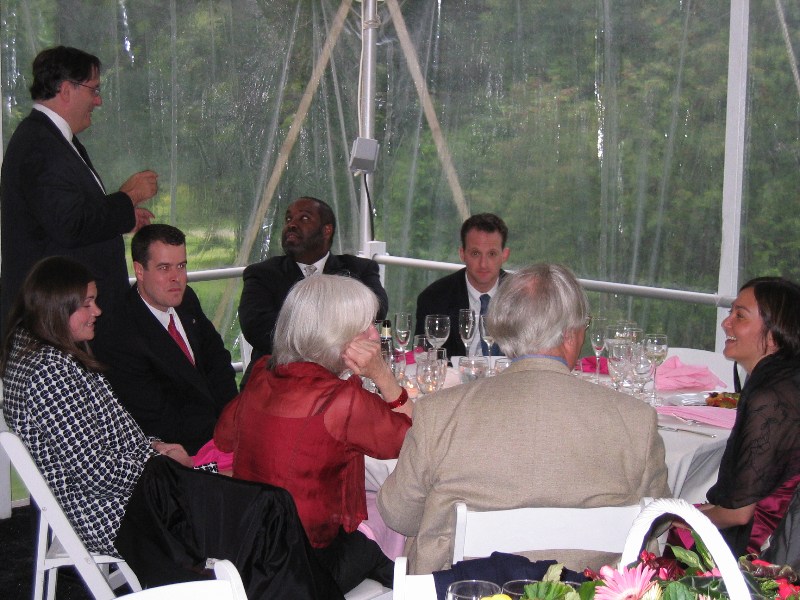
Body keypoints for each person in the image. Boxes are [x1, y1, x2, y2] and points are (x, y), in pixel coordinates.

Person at [0, 256, 342, 599]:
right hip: (123, 512)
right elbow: (94, 471)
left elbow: (100, 444)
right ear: (57, 307)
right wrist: (161, 462)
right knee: (269, 510)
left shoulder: (39, 357)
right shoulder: (50, 373)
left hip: (138, 494)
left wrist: (156, 449)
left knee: (268, 508)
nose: (98, 311)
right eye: (87, 304)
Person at [379, 263, 670, 574]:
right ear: (571, 336)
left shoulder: (439, 413)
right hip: (590, 591)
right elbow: (657, 521)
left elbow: (400, 516)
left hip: (461, 591)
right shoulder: (636, 420)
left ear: (504, 330)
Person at [215, 274, 412, 593]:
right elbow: (415, 442)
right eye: (365, 327)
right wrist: (383, 376)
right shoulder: (340, 400)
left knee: (375, 511)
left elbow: (223, 437)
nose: (375, 335)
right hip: (303, 572)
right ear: (335, 335)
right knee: (398, 517)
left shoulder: (265, 373)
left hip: (249, 553)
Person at [0, 46, 158, 334]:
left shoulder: (52, 139)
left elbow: (70, 217)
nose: (97, 101)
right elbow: (70, 225)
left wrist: (124, 217)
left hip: (66, 315)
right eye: (93, 90)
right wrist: (129, 196)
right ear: (65, 90)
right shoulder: (40, 145)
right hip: (56, 319)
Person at [92, 224, 237, 455]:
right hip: (179, 453)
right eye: (164, 268)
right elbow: (154, 416)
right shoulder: (119, 331)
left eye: (181, 266)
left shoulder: (186, 299)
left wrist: (233, 420)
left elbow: (218, 362)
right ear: (139, 270)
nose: (176, 278)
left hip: (222, 433)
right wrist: (221, 440)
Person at [699, 277, 800, 557]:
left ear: (774, 334)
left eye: (739, 316)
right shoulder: (786, 378)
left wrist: (679, 519)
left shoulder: (770, 398)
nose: (726, 323)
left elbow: (738, 514)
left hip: (761, 551)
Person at [238, 196, 389, 363]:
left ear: (327, 230)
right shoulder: (262, 274)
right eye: (288, 219)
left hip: (347, 370)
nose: (291, 225)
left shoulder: (359, 269)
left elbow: (377, 309)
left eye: (304, 218)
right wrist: (330, 337)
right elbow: (257, 328)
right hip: (280, 375)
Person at [414, 213, 510, 358]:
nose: (483, 264)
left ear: (504, 255)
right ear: (462, 254)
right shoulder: (434, 299)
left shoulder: (522, 295)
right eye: (476, 253)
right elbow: (424, 357)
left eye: (492, 254)